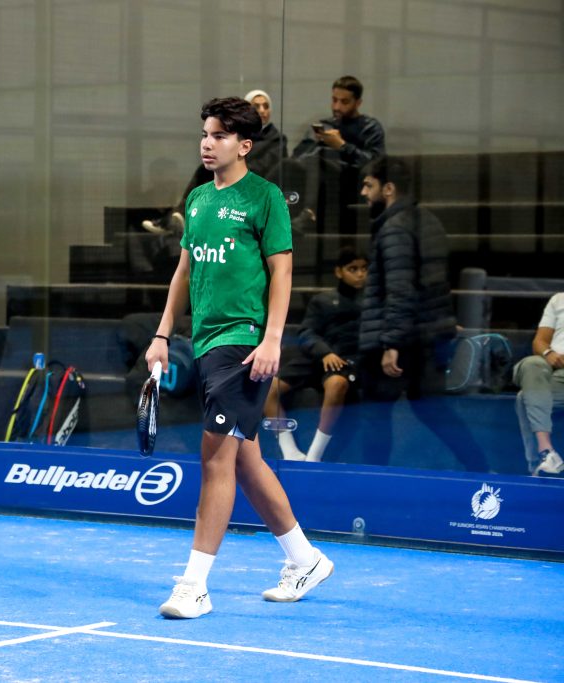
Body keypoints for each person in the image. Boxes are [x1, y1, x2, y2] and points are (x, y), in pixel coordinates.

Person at [147, 96, 333, 619]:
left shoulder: (266, 198)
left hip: (245, 342)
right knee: (245, 460)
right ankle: (306, 559)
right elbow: (184, 271)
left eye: (219, 136)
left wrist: (272, 338)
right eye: (205, 134)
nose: (208, 144)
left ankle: (194, 586)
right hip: (207, 342)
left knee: (215, 457)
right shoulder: (198, 200)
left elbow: (282, 271)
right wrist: (162, 334)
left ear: (244, 145)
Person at [357, 156, 488, 472]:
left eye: (369, 185)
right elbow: (433, 284)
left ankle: (372, 480)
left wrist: (391, 343)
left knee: (376, 415)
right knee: (433, 410)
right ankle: (479, 467)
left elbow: (400, 289)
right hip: (426, 334)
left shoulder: (394, 229)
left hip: (399, 339)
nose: (363, 193)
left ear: (388, 188)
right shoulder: (428, 221)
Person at [265, 245, 366, 462]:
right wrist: (324, 353)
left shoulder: (369, 304)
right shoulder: (322, 301)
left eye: (363, 269)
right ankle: (289, 451)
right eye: (353, 269)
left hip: (346, 362)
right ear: (339, 271)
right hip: (316, 358)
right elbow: (306, 332)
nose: (360, 274)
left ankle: (314, 455)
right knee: (266, 388)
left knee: (337, 384)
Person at [142, 89, 287, 235]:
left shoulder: (275, 140)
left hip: (252, 181)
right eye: (256, 106)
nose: (262, 110)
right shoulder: (241, 135)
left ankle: (176, 219)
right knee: (204, 171)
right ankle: (177, 217)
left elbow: (267, 165)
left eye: (265, 106)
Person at [284, 76, 386, 234]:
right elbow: (297, 157)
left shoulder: (370, 128)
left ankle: (310, 215)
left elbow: (375, 162)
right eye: (334, 100)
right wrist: (314, 143)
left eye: (344, 102)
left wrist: (342, 146)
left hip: (350, 181)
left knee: (315, 160)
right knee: (286, 164)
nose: (337, 107)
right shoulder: (326, 125)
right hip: (316, 178)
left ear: (358, 103)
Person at [514, 292, 564, 475]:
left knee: (524, 398)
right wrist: (549, 354)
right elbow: (539, 342)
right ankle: (547, 452)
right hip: (551, 364)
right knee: (531, 363)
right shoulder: (559, 299)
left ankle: (537, 462)